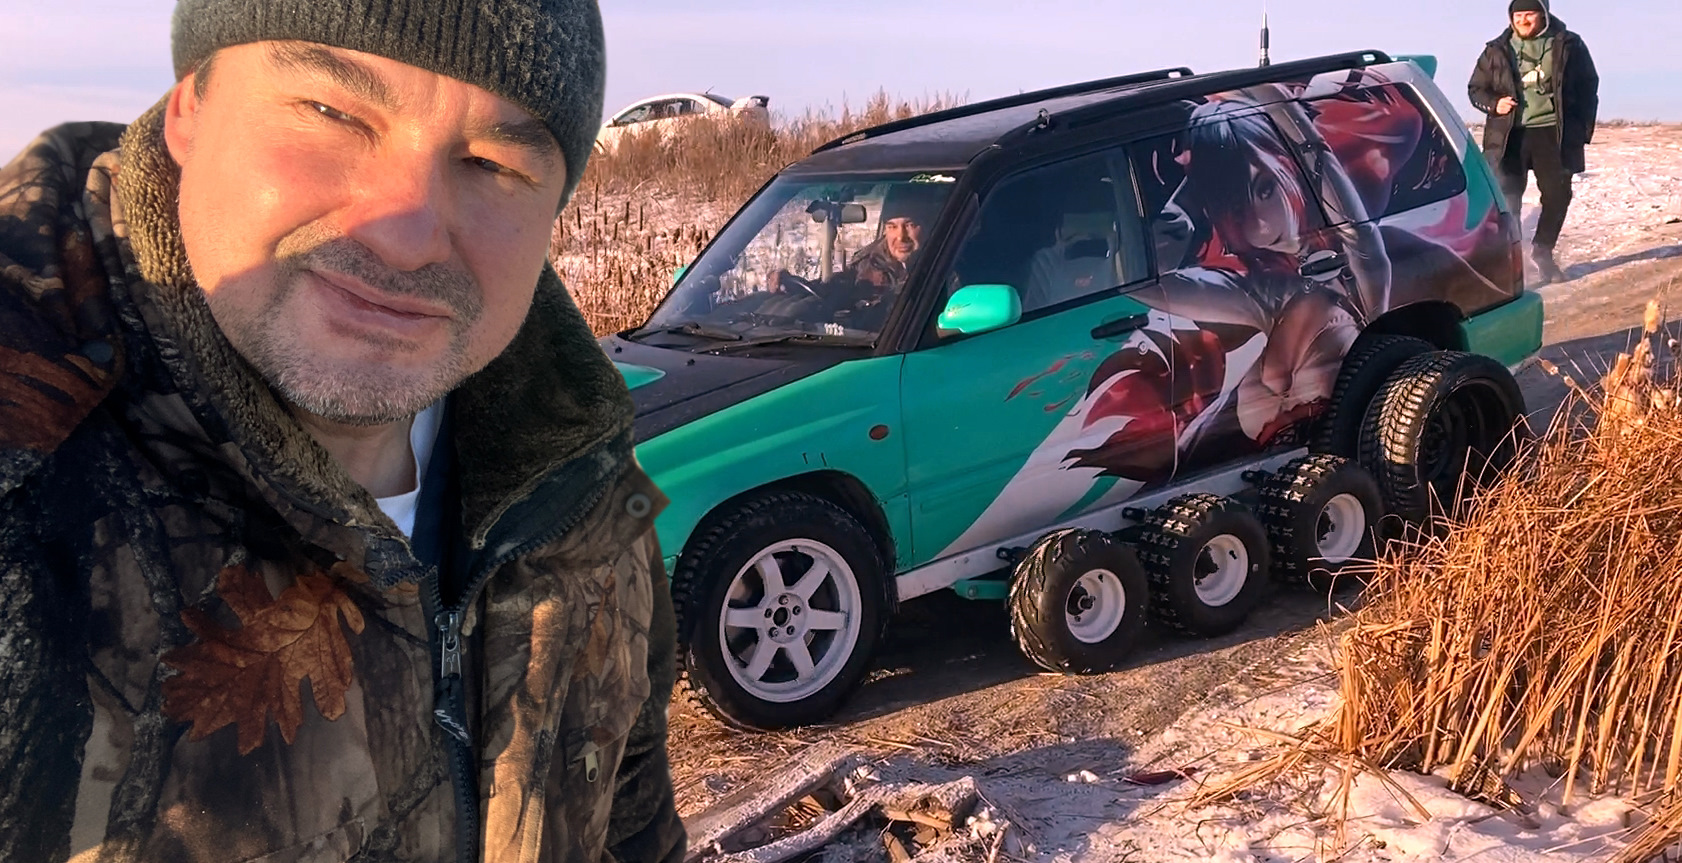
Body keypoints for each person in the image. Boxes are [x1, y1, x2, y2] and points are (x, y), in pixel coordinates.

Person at [0, 1, 685, 862]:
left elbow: (631, 814)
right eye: (332, 113)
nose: (404, 235)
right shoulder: (28, 481)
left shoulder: (572, 461)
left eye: (492, 164)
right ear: (190, 107)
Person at [1469, 0, 1600, 285]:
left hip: (1553, 133)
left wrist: (1581, 131)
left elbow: (1589, 86)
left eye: (1529, 14)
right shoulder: (1496, 49)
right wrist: (1494, 104)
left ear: (1544, 15)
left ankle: (1542, 250)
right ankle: (1513, 261)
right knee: (1507, 200)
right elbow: (1476, 89)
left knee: (1558, 195)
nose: (1523, 21)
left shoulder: (1569, 44)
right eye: (1518, 15)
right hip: (1509, 135)